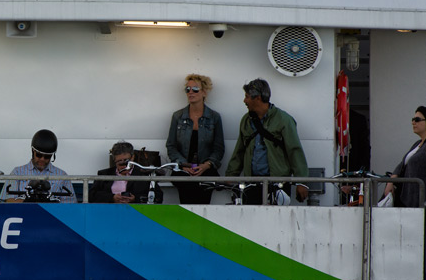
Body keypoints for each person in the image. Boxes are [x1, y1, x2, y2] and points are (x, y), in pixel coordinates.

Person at [225, 78, 309, 204]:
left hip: (278, 185)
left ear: (257, 98)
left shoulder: (284, 120)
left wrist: (302, 182)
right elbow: (240, 150)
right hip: (251, 185)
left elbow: (294, 150)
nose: (244, 101)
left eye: (247, 97)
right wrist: (231, 176)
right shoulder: (246, 120)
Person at [166, 74, 225, 205]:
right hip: (183, 170)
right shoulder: (178, 116)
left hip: (206, 170)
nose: (190, 92)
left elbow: (218, 148)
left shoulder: (214, 117)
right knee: (186, 193)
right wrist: (183, 165)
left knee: (203, 199)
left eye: (195, 89)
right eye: (188, 89)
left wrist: (206, 165)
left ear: (204, 92)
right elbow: (171, 146)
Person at [383, 106, 426, 207]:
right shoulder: (418, 144)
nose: (413, 122)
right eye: (413, 119)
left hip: (417, 202)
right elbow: (402, 164)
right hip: (405, 198)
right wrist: (391, 181)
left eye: (417, 120)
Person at [2, 129, 76, 203]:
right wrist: (28, 202)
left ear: (52, 156)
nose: (42, 159)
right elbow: (8, 200)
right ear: (33, 151)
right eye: (39, 155)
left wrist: (49, 204)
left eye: (47, 156)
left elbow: (70, 205)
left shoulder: (62, 176)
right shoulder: (17, 172)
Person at [89, 141, 163, 204]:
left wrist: (135, 199)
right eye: (119, 161)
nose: (123, 165)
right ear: (114, 160)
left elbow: (158, 197)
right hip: (109, 212)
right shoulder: (104, 174)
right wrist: (112, 198)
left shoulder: (144, 173)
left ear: (132, 157)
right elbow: (92, 196)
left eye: (126, 161)